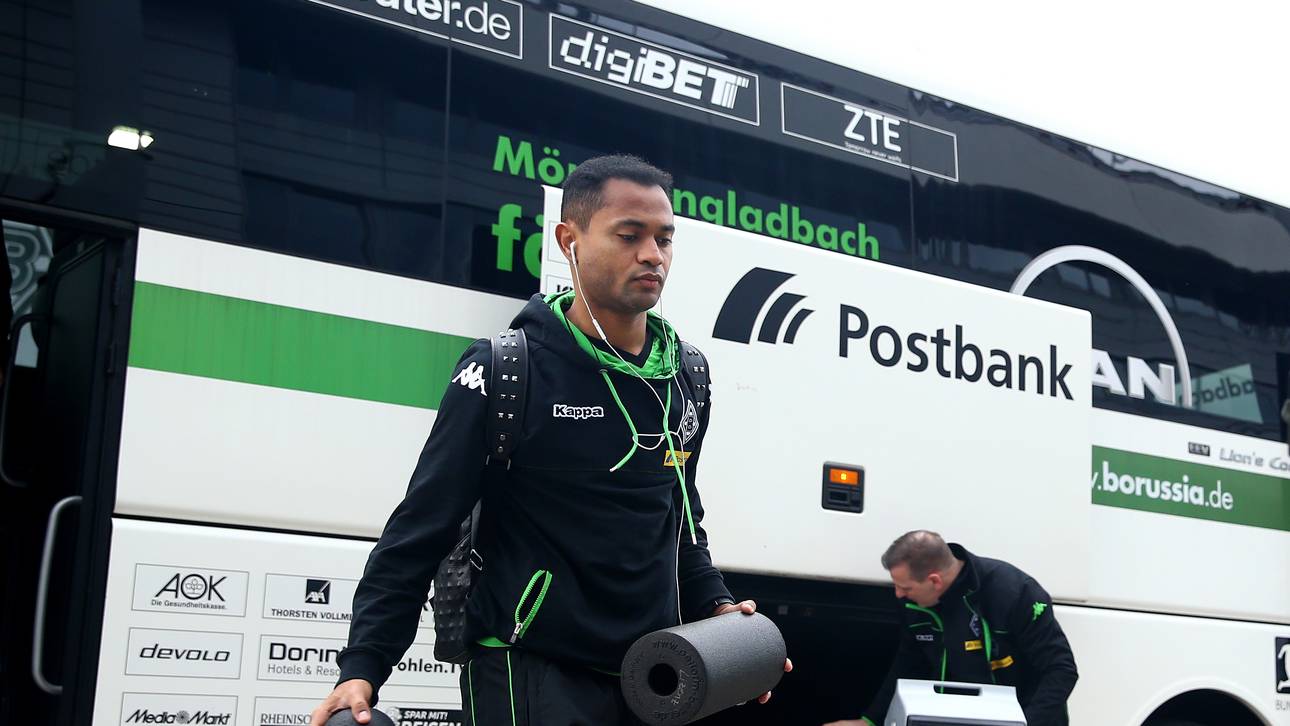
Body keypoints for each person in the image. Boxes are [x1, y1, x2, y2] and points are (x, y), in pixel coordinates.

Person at [310, 155, 789, 726]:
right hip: (527, 671)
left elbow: (681, 520)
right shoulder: (504, 368)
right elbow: (420, 529)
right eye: (629, 235)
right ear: (569, 241)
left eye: (664, 239)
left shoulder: (687, 376)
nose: (652, 255)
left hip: (649, 677)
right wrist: (363, 666)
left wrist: (719, 609)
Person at [825, 531, 1077, 726]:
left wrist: (1026, 723)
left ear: (934, 580)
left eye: (905, 587)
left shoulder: (1014, 591)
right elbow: (908, 665)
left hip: (1024, 717)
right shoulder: (914, 603)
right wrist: (870, 720)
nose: (898, 594)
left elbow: (1061, 669)